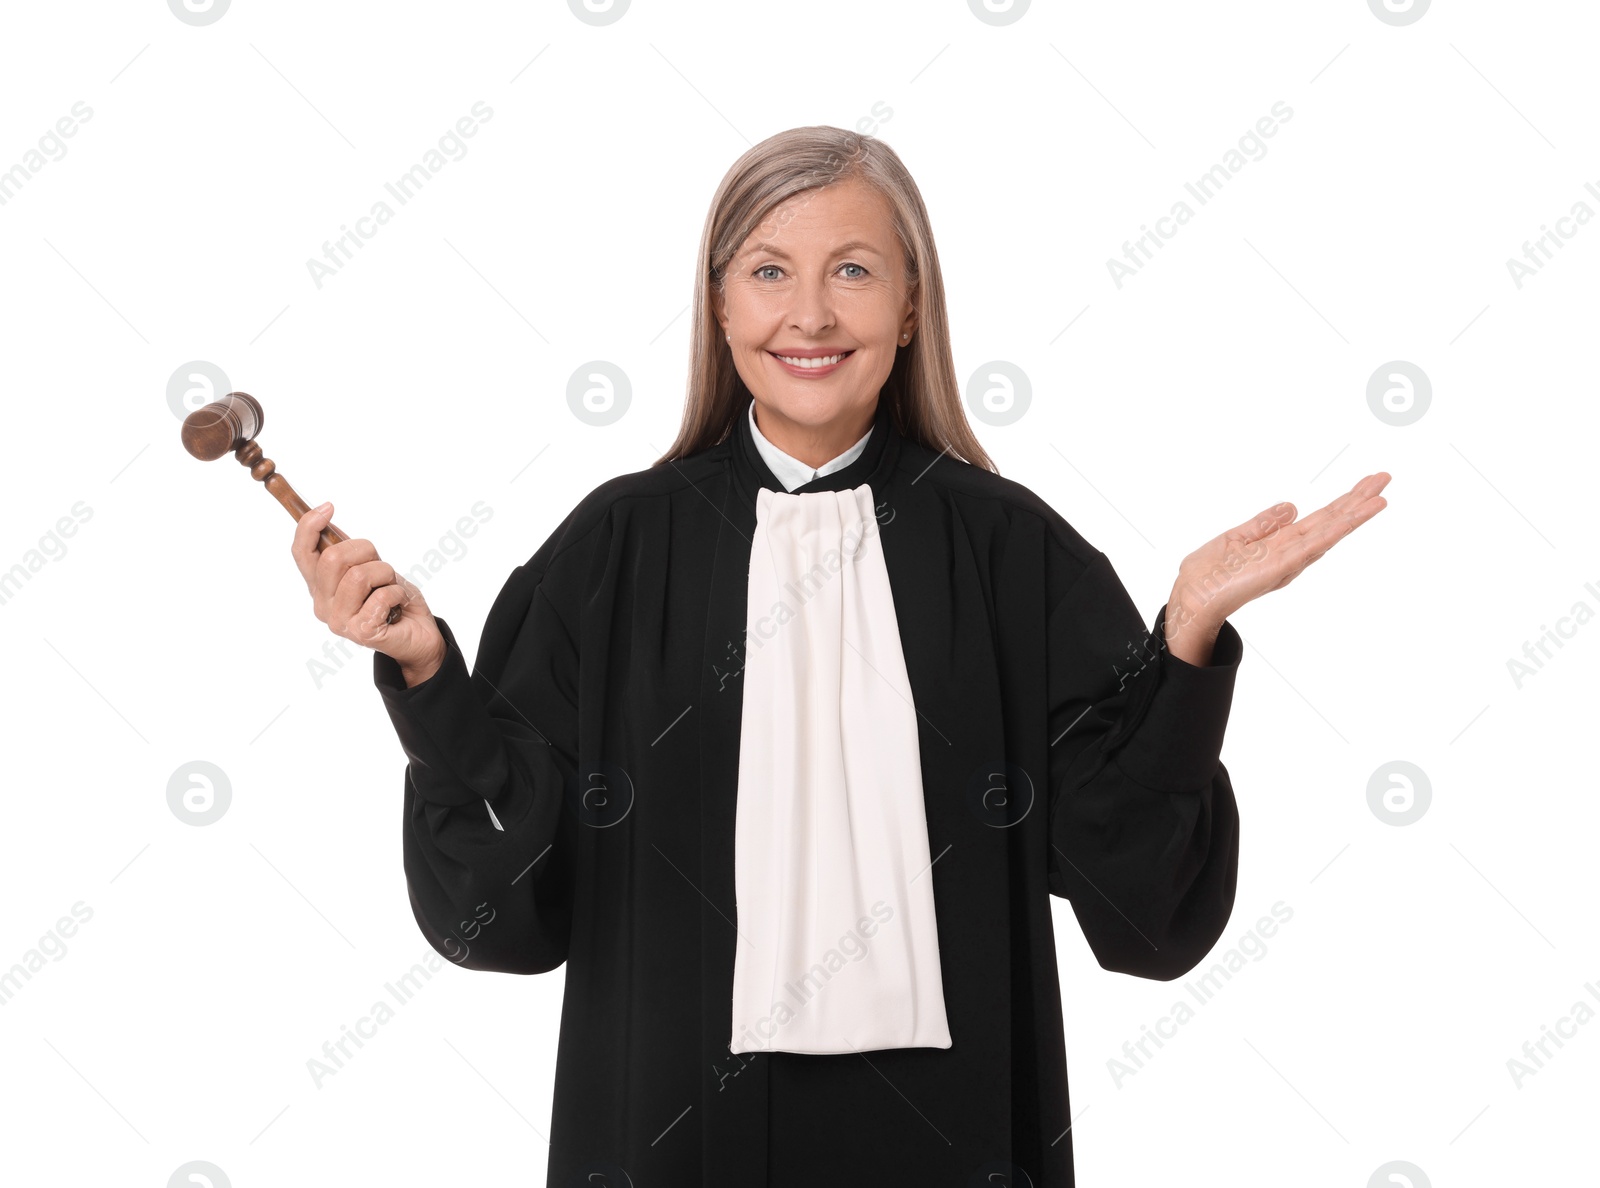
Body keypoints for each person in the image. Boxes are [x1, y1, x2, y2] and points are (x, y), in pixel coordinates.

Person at [291, 126, 1389, 1187]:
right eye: (769, 270)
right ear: (717, 303)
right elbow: (515, 907)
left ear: (911, 307)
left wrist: (1186, 640)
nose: (809, 313)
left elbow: (1139, 895)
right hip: (672, 1136)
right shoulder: (613, 547)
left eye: (854, 270)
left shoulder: (1010, 548)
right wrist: (429, 676)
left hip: (951, 1135)